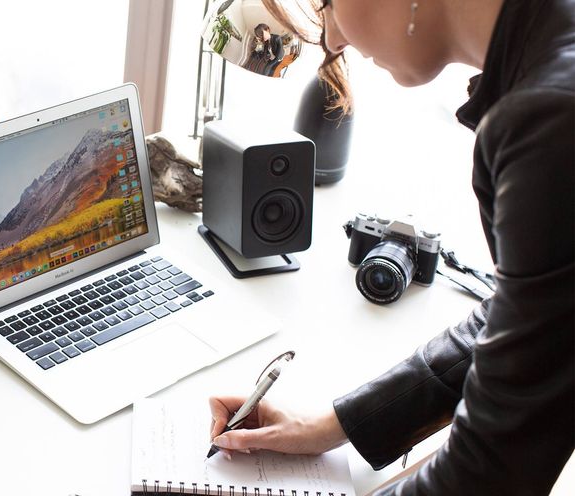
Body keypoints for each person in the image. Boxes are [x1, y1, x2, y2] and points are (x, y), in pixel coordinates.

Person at [209, 0, 574, 494]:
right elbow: (527, 326)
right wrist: (332, 425)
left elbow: (491, 470)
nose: (332, 40)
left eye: (328, 4)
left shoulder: (550, 121)